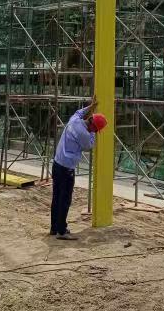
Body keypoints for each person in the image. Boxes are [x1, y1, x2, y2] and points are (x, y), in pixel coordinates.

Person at [50, 95, 107, 240]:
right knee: (65, 199)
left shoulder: (74, 120)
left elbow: (79, 112)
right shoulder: (85, 135)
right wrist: (93, 131)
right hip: (67, 169)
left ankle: (54, 228)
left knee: (56, 197)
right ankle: (61, 231)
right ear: (93, 126)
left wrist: (91, 106)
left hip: (57, 164)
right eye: (96, 129)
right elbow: (90, 145)